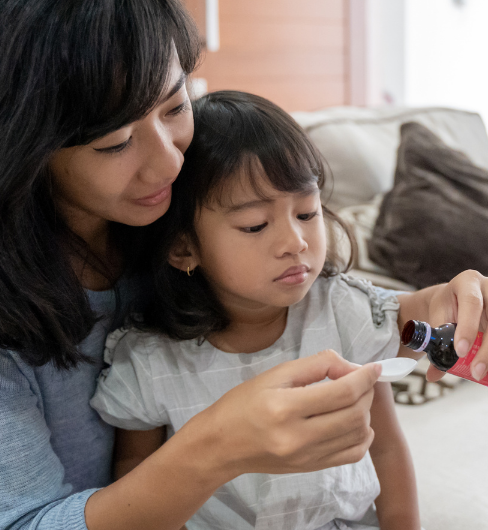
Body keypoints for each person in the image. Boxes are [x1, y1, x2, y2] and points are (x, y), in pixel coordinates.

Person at [0, 0, 488, 530]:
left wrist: (442, 311)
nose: (167, 161)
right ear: (17, 151)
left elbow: (340, 311)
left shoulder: (179, 195)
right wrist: (219, 444)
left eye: (173, 106)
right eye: (113, 144)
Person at [91, 91, 420, 529]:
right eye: (255, 225)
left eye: (306, 212)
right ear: (184, 248)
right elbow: (138, 482)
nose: (295, 242)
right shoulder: (151, 360)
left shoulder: (340, 313)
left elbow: (386, 448)